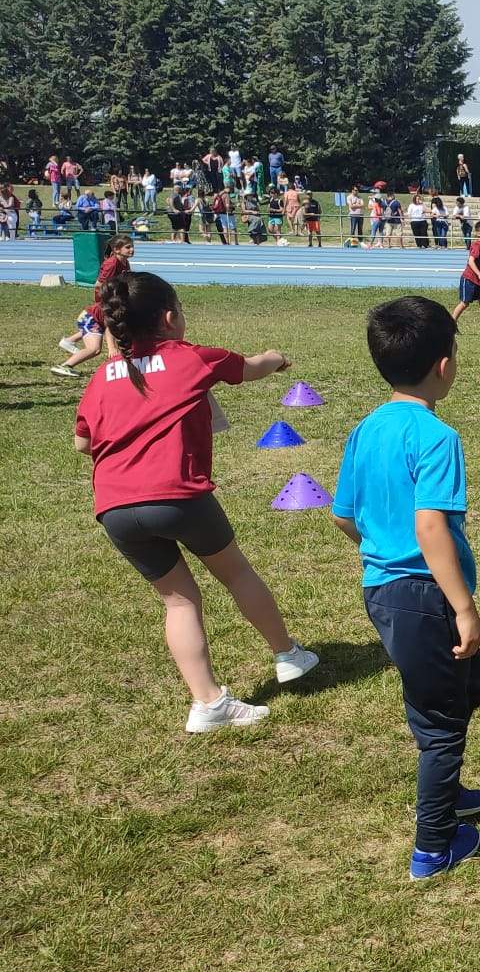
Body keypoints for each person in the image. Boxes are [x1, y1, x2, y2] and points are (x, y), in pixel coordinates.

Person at [73, 270, 319, 731]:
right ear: (169, 318)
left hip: (114, 508)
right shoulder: (190, 358)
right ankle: (288, 654)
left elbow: (82, 444)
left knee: (179, 603)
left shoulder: (102, 377)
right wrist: (276, 358)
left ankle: (207, 702)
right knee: (235, 572)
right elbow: (250, 367)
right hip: (177, 495)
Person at [330, 297, 480, 881]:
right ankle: (433, 846)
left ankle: (445, 787)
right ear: (445, 365)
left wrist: (379, 553)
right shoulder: (436, 436)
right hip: (426, 594)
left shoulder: (364, 430)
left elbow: (344, 515)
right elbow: (430, 526)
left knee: (465, 684)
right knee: (442, 723)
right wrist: (463, 606)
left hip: (384, 593)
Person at [52, 232, 135, 378]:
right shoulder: (112, 263)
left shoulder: (124, 262)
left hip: (93, 316)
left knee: (108, 329)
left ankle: (68, 341)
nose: (132, 250)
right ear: (117, 249)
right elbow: (98, 285)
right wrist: (112, 347)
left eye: (132, 247)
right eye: (128, 247)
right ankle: (64, 366)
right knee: (95, 348)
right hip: (90, 316)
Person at [449, 220, 480, 337]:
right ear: (479, 233)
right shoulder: (477, 245)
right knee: (464, 303)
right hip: (470, 280)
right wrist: (479, 275)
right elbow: (471, 261)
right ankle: (451, 325)